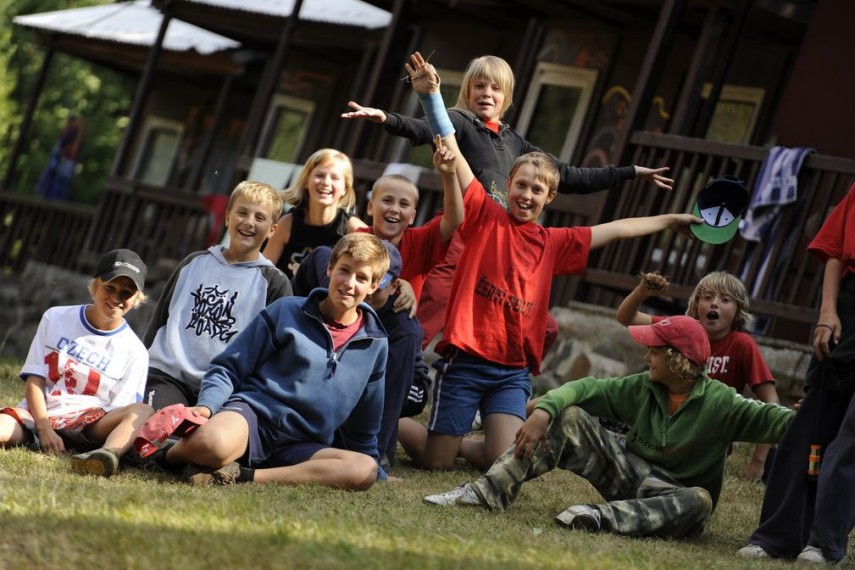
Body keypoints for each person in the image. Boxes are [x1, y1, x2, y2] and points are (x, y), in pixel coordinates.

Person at [397, 52, 701, 472]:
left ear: (550, 197)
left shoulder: (554, 242)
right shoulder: (484, 216)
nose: (526, 195)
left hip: (511, 372)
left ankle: (467, 443)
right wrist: (431, 97)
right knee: (436, 464)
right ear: (508, 185)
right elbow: (452, 150)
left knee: (504, 461)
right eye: (520, 186)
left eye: (537, 190)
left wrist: (669, 220)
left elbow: (617, 229)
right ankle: (390, 419)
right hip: (466, 362)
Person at [343, 54, 674, 349]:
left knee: (546, 328)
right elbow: (424, 128)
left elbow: (569, 175)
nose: (487, 93)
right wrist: (387, 119)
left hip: (500, 247)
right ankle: (388, 365)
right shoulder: (459, 121)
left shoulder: (515, 143)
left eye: (495, 88)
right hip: (460, 240)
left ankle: (496, 374)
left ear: (507, 96)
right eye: (479, 86)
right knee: (422, 324)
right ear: (467, 91)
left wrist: (629, 172)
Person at [423, 316, 795, 540]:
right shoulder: (643, 386)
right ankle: (486, 493)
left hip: (675, 504)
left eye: (654, 350)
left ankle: (599, 517)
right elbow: (585, 388)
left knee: (700, 500)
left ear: (677, 360)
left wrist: (812, 417)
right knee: (569, 415)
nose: (646, 356)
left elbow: (777, 421)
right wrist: (544, 410)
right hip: (632, 478)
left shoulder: (722, 403)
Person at [153, 233, 390, 490]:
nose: (349, 283)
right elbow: (229, 367)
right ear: (330, 268)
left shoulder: (375, 343)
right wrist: (207, 406)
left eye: (362, 278)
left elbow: (365, 423)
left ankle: (241, 474)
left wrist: (378, 471)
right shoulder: (286, 311)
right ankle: (167, 454)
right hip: (253, 419)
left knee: (363, 470)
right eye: (344, 270)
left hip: (305, 445)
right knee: (211, 444)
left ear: (374, 286)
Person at [738, 183, 855, 565]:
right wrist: (827, 312)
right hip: (848, 311)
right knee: (809, 429)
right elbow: (835, 252)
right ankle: (776, 537)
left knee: (851, 441)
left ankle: (824, 544)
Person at [0, 249, 154, 477]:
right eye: (110, 287)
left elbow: (120, 410)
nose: (116, 298)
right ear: (95, 286)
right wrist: (44, 427)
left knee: (143, 410)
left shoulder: (136, 351)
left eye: (126, 293)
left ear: (137, 299)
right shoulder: (55, 317)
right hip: (38, 415)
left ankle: (105, 456)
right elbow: (35, 380)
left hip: (89, 425)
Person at [616, 270, 780, 481]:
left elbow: (771, 402)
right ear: (696, 304)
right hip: (663, 425)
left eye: (725, 300)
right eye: (708, 297)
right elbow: (626, 318)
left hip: (705, 441)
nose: (714, 304)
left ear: (738, 310)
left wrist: (758, 461)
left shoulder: (743, 345)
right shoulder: (680, 330)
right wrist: (641, 292)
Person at [144, 181, 292, 411]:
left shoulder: (275, 283)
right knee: (160, 422)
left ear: (272, 229)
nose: (249, 222)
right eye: (242, 212)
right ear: (227, 217)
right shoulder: (193, 263)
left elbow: (275, 352)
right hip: (168, 376)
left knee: (205, 432)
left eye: (260, 217)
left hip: (228, 388)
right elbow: (159, 320)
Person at [293, 240, 431, 469]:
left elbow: (391, 395)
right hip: (363, 369)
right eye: (353, 275)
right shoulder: (343, 284)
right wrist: (296, 308)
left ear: (393, 286)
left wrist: (375, 457)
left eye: (375, 283)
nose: (365, 292)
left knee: (366, 397)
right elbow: (317, 256)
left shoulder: (403, 329)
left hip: (408, 386)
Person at [263, 148, 367, 279]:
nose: (326, 182)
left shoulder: (354, 230)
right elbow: (263, 273)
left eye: (335, 178)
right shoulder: (287, 223)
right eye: (320, 175)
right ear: (306, 181)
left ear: (345, 189)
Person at [357, 171, 461, 302]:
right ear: (370, 207)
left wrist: (449, 174)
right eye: (387, 201)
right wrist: (400, 283)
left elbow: (455, 219)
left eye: (404, 204)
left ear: (412, 216)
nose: (395, 209)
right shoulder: (359, 239)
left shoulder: (420, 243)